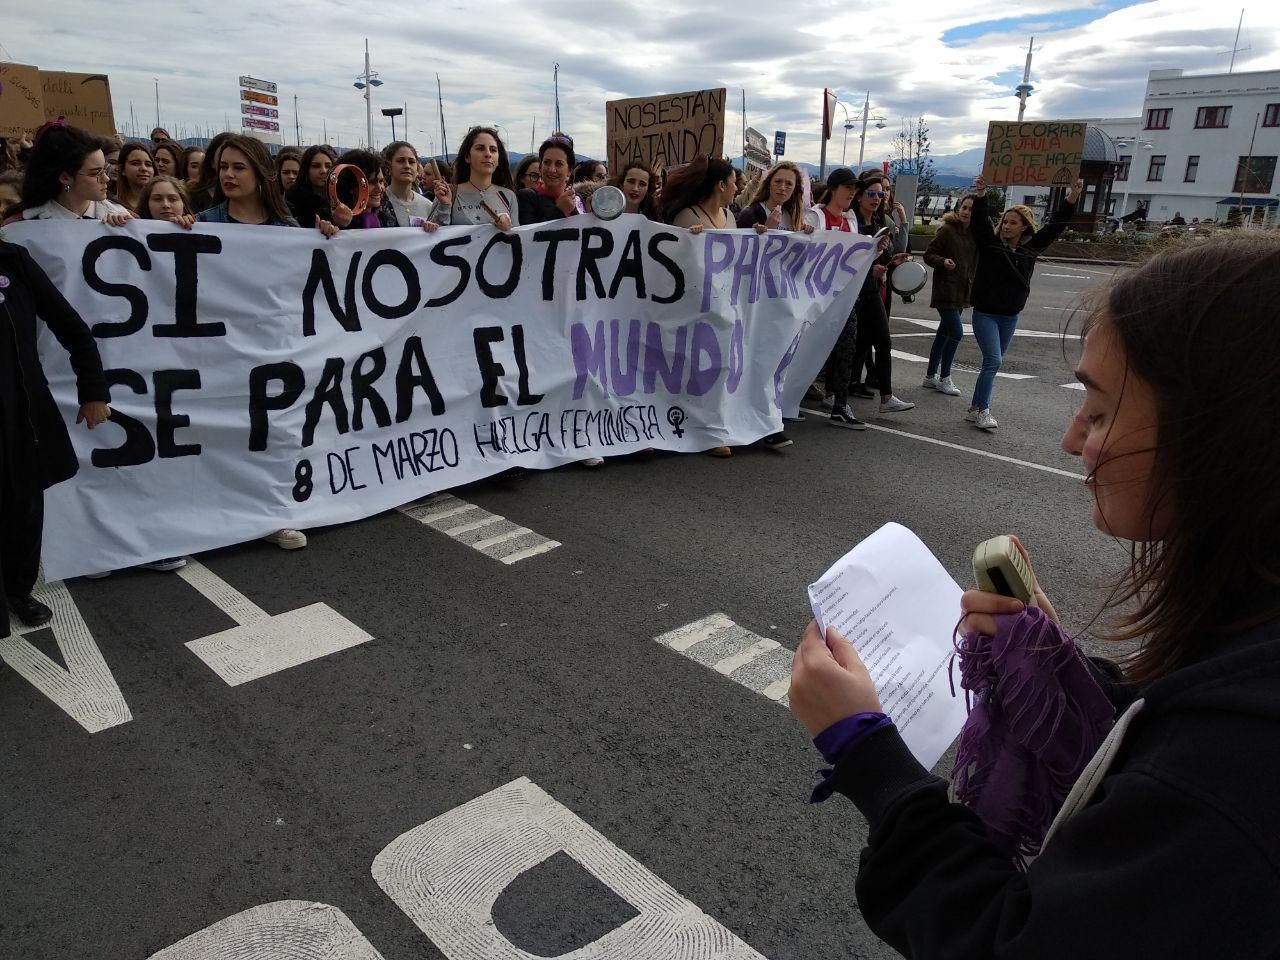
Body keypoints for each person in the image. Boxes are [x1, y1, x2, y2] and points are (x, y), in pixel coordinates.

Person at [788, 230, 1280, 959]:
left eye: (1103, 410)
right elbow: (1163, 739)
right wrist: (1067, 677)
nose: (1072, 441)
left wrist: (867, 755)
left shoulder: (1236, 768)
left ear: (1224, 434)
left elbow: (1005, 937)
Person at [194, 135, 311, 549]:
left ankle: (275, 515)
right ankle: (224, 515)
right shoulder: (203, 223)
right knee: (227, 432)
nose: (228, 174)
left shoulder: (288, 229)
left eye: (238, 167)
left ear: (261, 174)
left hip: (273, 349)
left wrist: (332, 238)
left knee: (272, 432)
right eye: (223, 166)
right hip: (221, 351)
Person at [1, 236, 112, 631]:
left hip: (21, 413)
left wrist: (94, 391)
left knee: (26, 507)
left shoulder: (13, 262)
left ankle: (18, 590)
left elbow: (72, 328)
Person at [964, 175, 1080, 430]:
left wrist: (1072, 196)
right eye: (1004, 221)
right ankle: (983, 409)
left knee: (991, 363)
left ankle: (974, 407)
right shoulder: (991, 245)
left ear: (1024, 227)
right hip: (986, 313)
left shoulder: (1031, 249)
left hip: (1010, 315)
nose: (1006, 226)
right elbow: (980, 224)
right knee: (994, 360)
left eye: (1013, 223)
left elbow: (1055, 226)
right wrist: (981, 194)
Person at [663, 155, 741, 458]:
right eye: (734, 182)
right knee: (690, 369)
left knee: (720, 367)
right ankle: (690, 426)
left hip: (722, 307)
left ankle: (712, 427)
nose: (737, 188)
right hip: (692, 308)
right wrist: (688, 241)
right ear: (721, 184)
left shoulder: (730, 216)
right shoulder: (686, 217)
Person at [847, 172, 913, 414]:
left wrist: (892, 260)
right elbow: (844, 262)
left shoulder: (879, 225)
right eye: (872, 193)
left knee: (882, 341)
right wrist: (869, 268)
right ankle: (836, 393)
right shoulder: (851, 222)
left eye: (881, 194)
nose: (876, 198)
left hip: (872, 290)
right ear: (860, 196)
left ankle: (887, 397)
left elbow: (881, 262)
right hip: (851, 292)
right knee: (850, 343)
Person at [812, 168, 866, 431]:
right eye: (847, 187)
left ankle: (840, 404)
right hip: (816, 296)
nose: (852, 192)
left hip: (844, 296)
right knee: (807, 350)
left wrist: (874, 251)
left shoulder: (851, 220)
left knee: (847, 348)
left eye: (854, 188)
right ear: (833, 189)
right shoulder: (817, 216)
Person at [5, 122, 131, 226]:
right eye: (96, 173)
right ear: (65, 177)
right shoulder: (19, 224)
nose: (106, 178)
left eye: (105, 169)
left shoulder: (124, 217)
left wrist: (130, 227)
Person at [921, 194, 977, 396]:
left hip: (962, 290)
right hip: (946, 289)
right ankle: (944, 377)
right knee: (956, 332)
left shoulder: (975, 233)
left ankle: (930, 376)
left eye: (971, 209)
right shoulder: (947, 229)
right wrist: (943, 261)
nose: (966, 212)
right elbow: (929, 254)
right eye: (964, 207)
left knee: (943, 333)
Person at [432, 127, 519, 229]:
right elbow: (430, 237)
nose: (488, 154)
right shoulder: (448, 193)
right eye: (480, 148)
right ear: (467, 157)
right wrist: (445, 205)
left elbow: (517, 238)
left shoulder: (509, 196)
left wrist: (508, 228)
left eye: (493, 150)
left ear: (498, 159)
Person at [735, 161, 814, 234]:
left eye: (789, 184)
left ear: (794, 189)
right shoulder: (750, 214)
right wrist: (768, 229)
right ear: (769, 184)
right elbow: (739, 246)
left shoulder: (793, 218)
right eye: (778, 181)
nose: (782, 187)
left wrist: (804, 233)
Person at [517, 134, 580, 224]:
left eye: (559, 164)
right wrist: (559, 211)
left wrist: (592, 215)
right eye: (547, 162)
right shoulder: (527, 197)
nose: (552, 169)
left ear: (569, 170)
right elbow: (527, 235)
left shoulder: (574, 200)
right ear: (540, 166)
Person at [285, 144, 349, 230]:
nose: (323, 171)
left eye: (328, 166)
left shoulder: (342, 197)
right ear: (306, 169)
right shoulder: (292, 199)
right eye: (316, 166)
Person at [382, 140, 432, 227]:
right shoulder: (379, 202)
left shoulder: (428, 206)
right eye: (400, 161)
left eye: (411, 162)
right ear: (389, 166)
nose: (407, 166)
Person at [187, 131, 232, 213]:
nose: (230, 172)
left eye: (239, 166)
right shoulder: (193, 196)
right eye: (222, 157)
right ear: (211, 161)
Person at [113, 141, 154, 212]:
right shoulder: (112, 206)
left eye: (148, 164)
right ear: (122, 169)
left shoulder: (161, 204)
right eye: (135, 164)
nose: (144, 168)